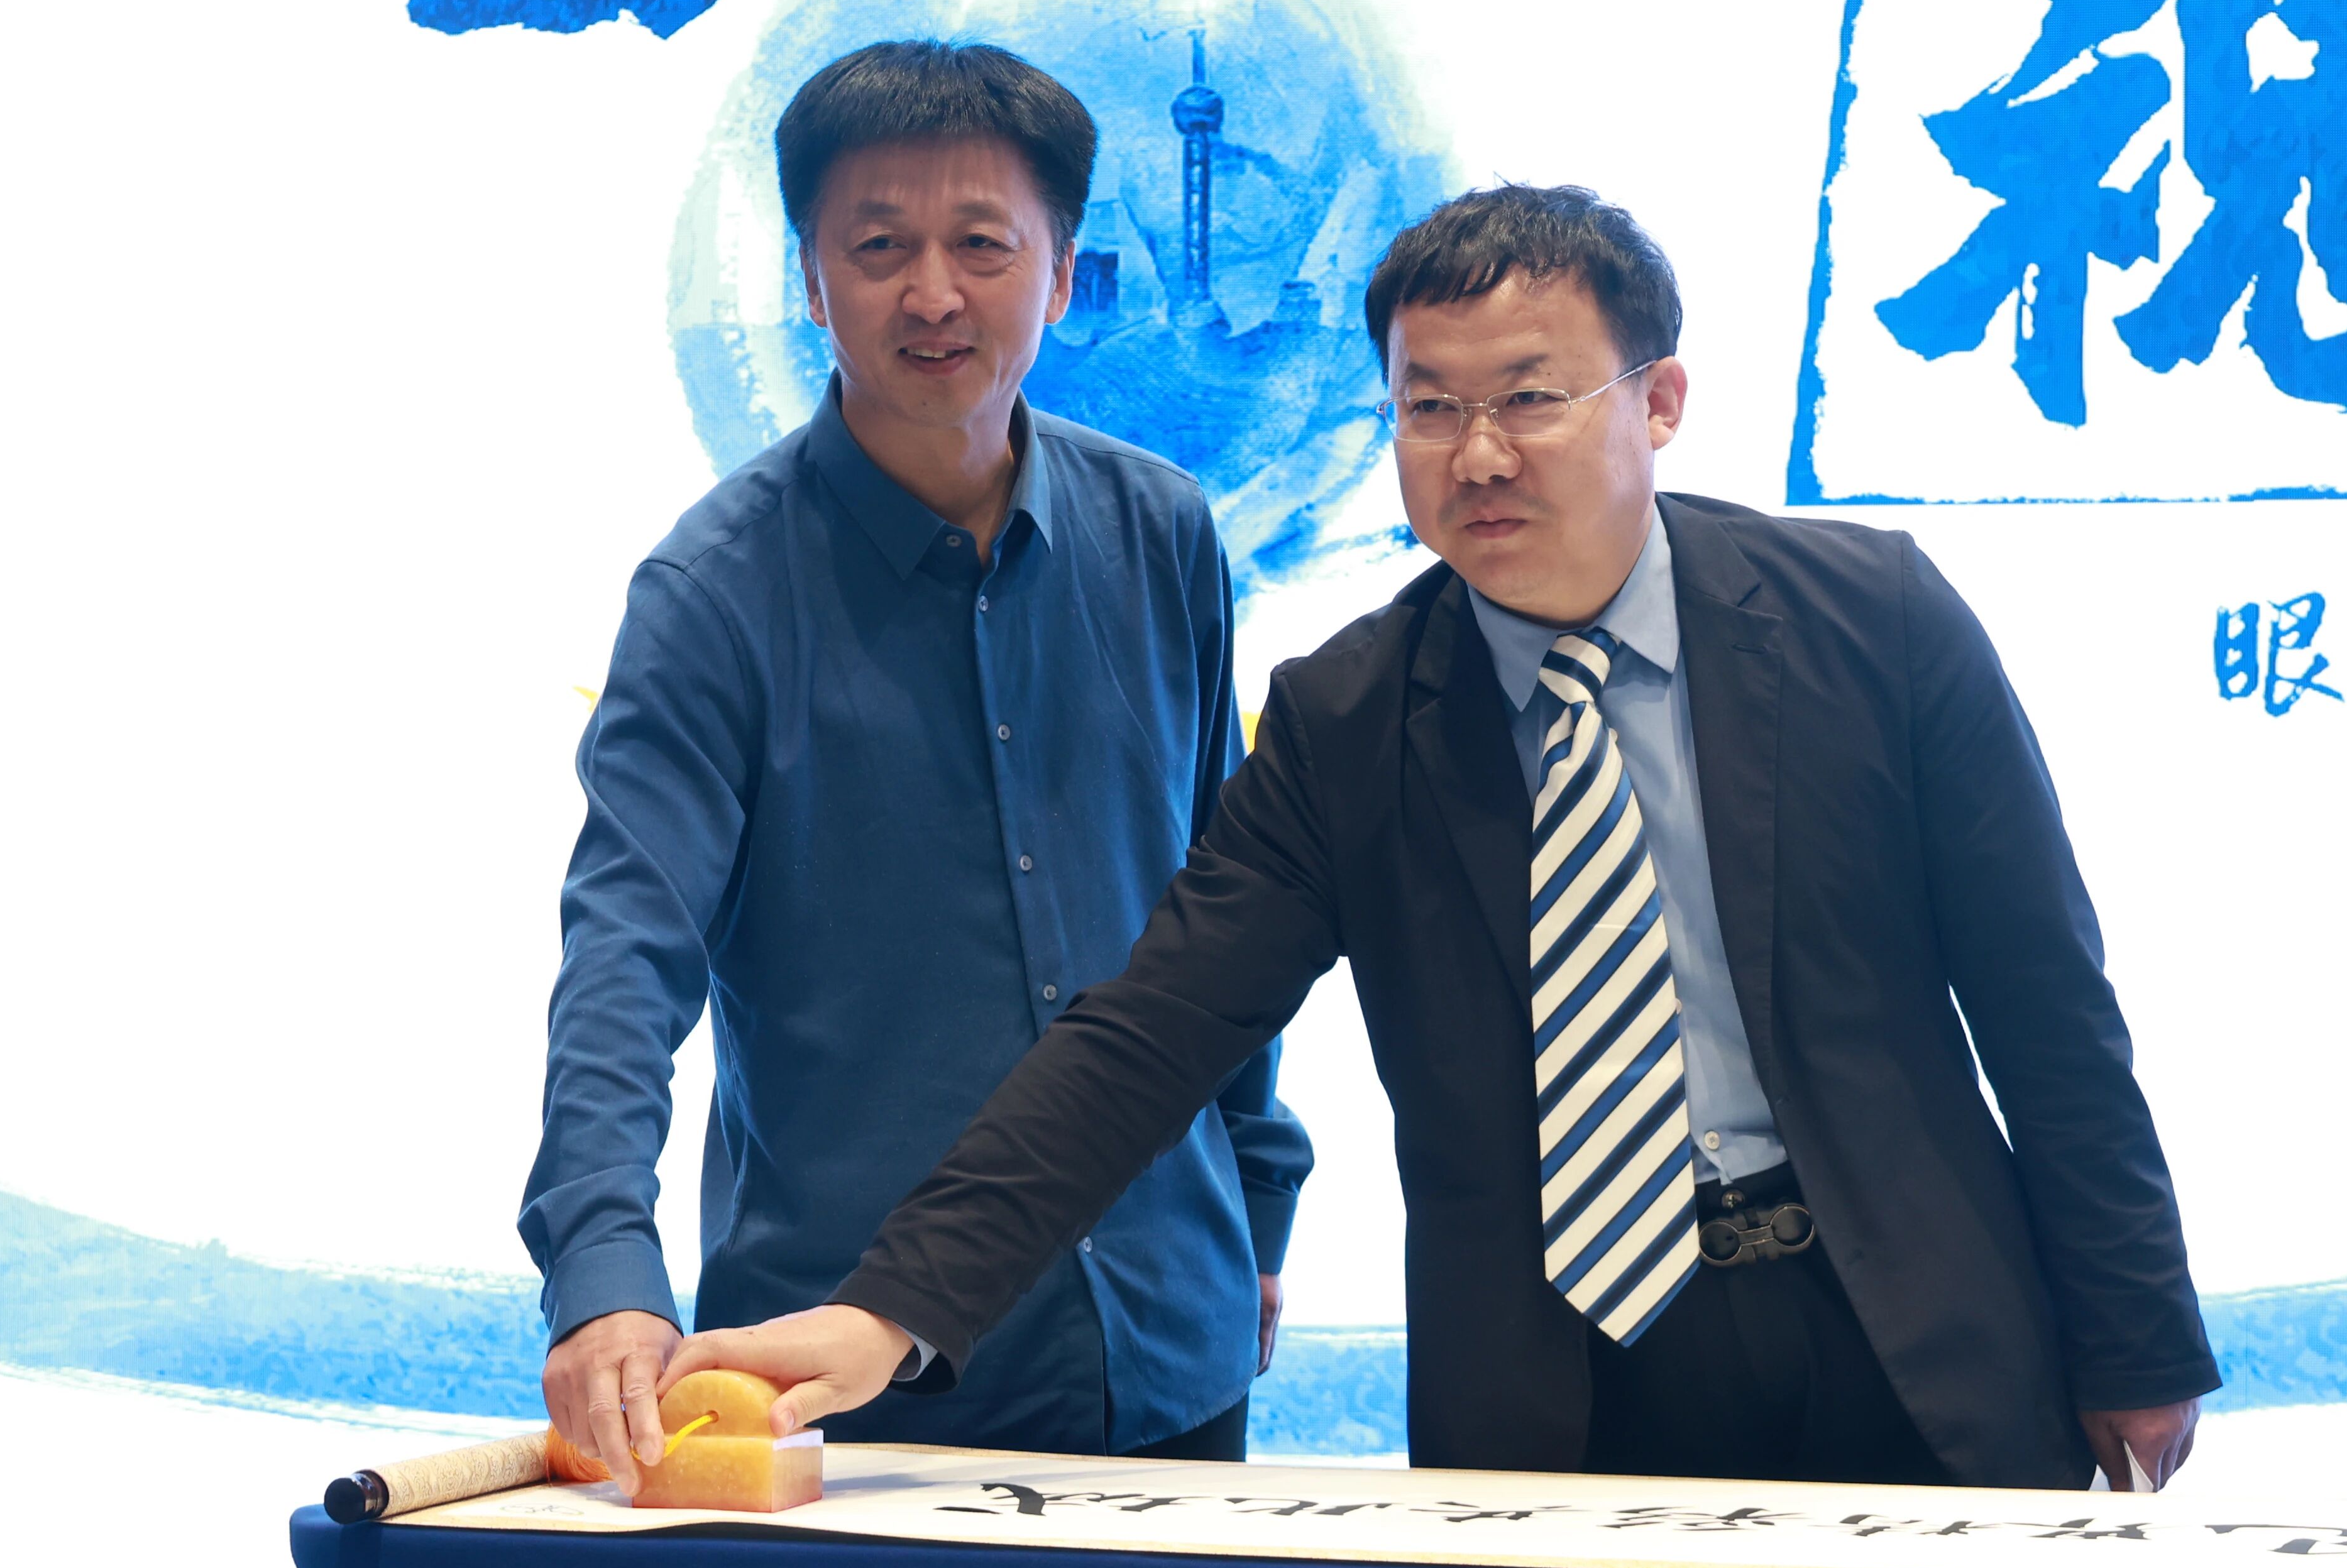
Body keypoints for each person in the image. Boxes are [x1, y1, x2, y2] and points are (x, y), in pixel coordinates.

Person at [670, 184, 2214, 1491]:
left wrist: (2137, 1334)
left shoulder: (1874, 620)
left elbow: (2046, 1007)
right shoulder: (1349, 722)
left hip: (1905, 1320)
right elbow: (1144, 1037)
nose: (1478, 455)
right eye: (1429, 408)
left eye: (1531, 399)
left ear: (1659, 402)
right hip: (1567, 1385)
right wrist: (891, 1310)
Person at [520, 40, 1308, 1493]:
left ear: (1061, 273)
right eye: (878, 247)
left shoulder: (1163, 533)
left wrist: (1255, 1201)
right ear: (812, 283)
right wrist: (603, 1270)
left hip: (1170, 1335)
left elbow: (1227, 913)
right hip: (838, 1380)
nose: (933, 293)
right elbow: (625, 951)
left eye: (982, 244)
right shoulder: (712, 593)